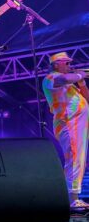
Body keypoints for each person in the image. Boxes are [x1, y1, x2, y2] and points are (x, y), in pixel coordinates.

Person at [42, 52, 89, 208]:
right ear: (56, 64)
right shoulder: (51, 78)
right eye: (66, 63)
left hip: (78, 126)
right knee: (74, 158)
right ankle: (72, 199)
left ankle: (71, 197)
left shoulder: (70, 84)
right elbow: (64, 79)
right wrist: (80, 74)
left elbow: (87, 99)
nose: (70, 66)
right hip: (67, 124)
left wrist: (82, 82)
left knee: (78, 160)